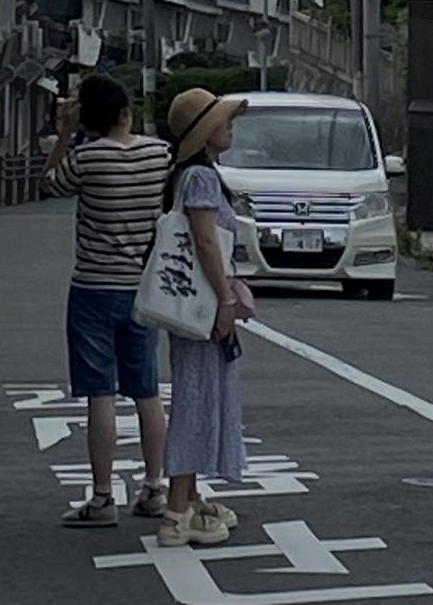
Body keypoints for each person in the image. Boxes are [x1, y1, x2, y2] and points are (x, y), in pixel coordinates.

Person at [43, 75, 170, 528]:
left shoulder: (86, 157)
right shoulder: (159, 154)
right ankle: (154, 488)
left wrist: (64, 132)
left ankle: (102, 498)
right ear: (125, 111)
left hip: (93, 287)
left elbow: (50, 184)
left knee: (101, 393)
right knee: (147, 391)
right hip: (142, 288)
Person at [159, 88, 250, 550]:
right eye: (222, 121)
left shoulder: (192, 174)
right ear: (203, 132)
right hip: (204, 302)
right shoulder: (201, 178)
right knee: (195, 399)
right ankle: (176, 512)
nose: (229, 126)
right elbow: (206, 241)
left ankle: (190, 499)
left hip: (193, 301)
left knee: (197, 394)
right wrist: (225, 299)